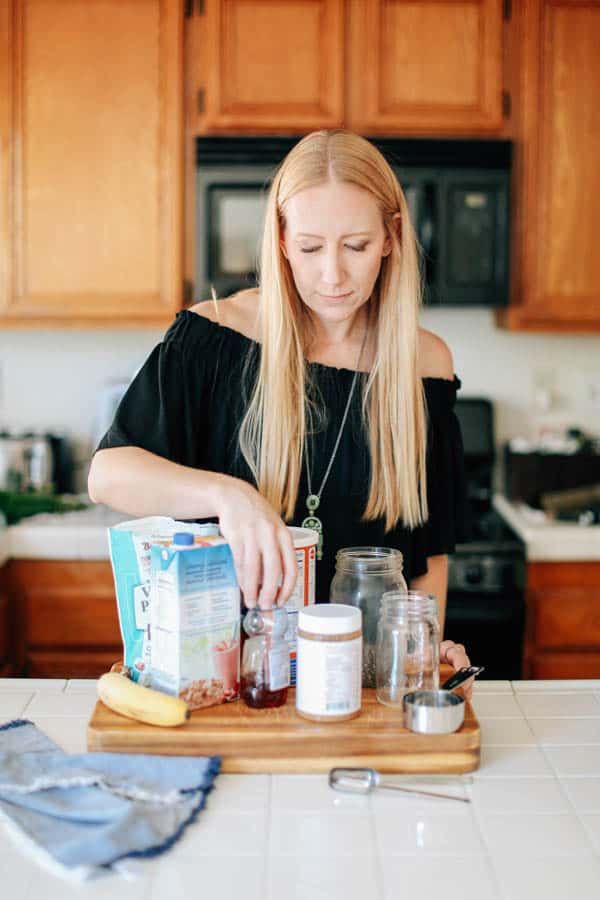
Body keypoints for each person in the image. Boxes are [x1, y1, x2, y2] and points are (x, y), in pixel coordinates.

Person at [89, 129, 471, 690]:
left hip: (359, 685)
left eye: (356, 246)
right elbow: (109, 473)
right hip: (229, 679)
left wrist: (421, 644)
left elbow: (428, 550)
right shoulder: (213, 336)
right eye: (312, 247)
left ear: (391, 237)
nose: (333, 275)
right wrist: (229, 496)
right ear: (283, 239)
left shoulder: (423, 363)